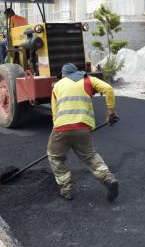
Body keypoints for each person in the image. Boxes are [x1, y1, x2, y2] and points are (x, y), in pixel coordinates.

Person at [47, 63, 120, 201]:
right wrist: (111, 113)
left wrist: (58, 134)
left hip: (61, 128)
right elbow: (108, 89)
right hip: (83, 127)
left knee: (55, 156)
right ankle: (108, 178)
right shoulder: (88, 80)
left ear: (63, 75)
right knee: (90, 156)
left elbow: (54, 113)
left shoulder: (57, 85)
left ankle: (66, 189)